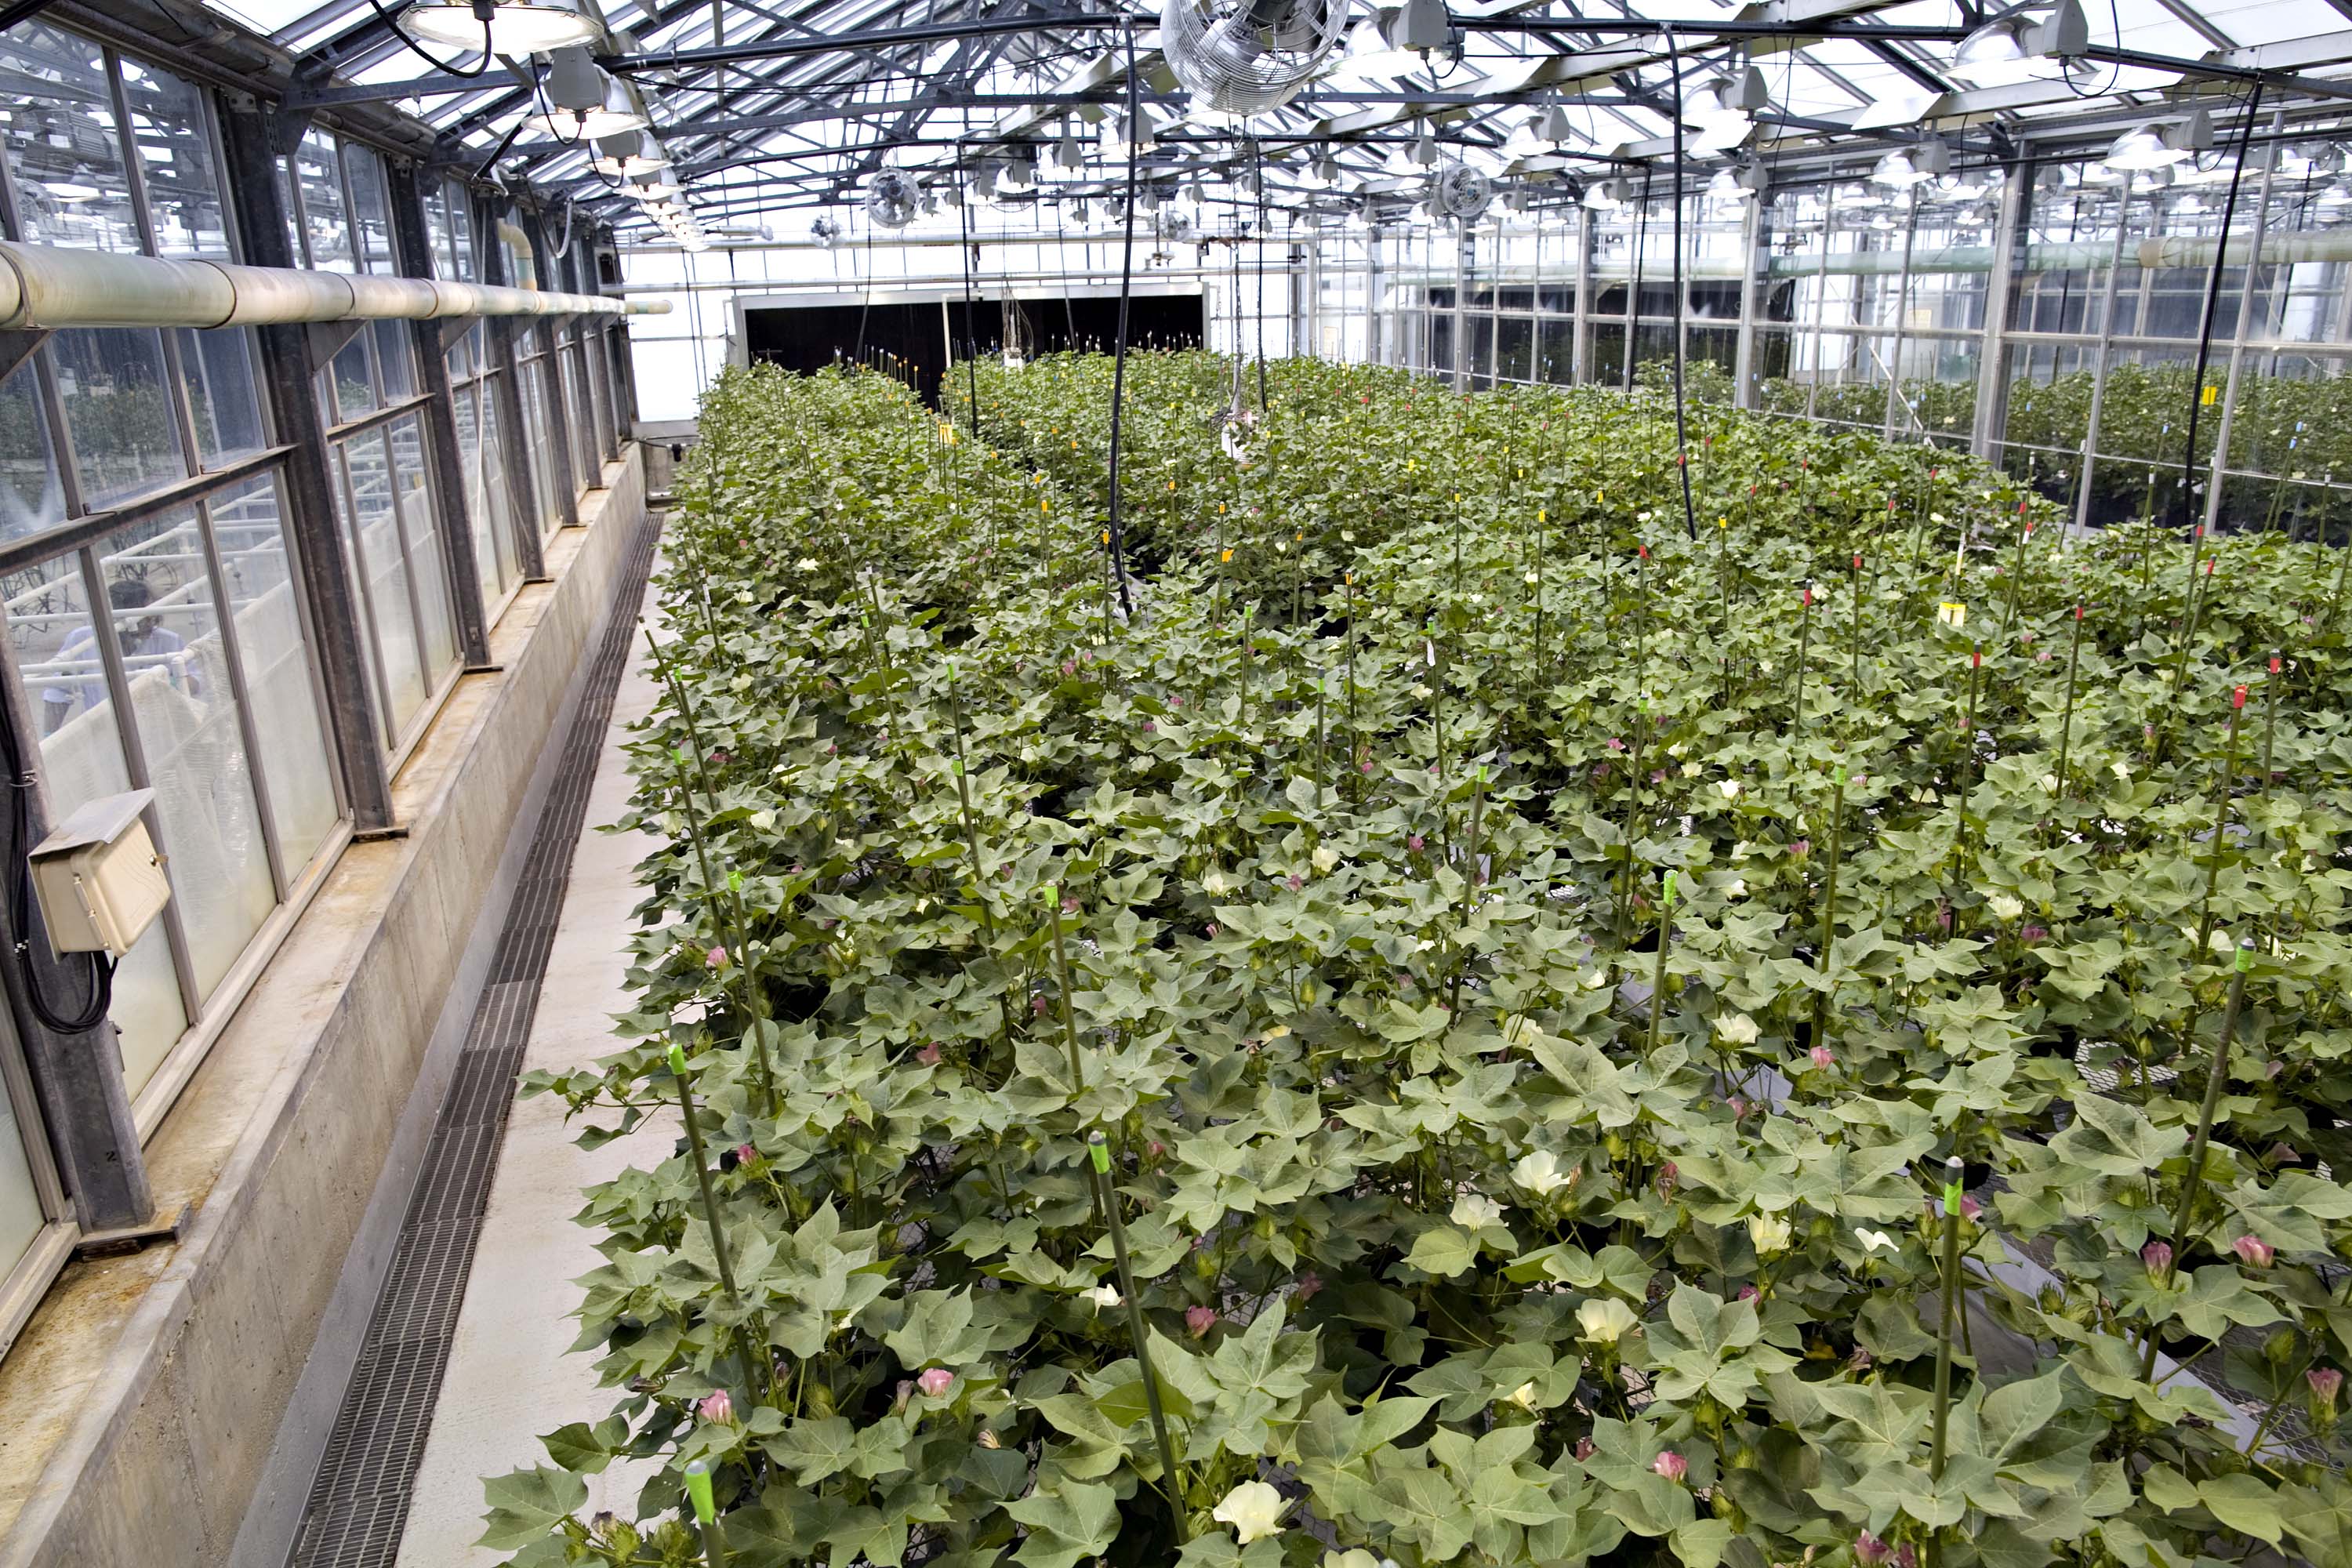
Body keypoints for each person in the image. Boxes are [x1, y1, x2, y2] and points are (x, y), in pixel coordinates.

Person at [42, 578, 192, 735]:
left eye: (151, 617)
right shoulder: (83, 639)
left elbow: (196, 681)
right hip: (102, 731)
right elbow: (58, 690)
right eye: (143, 619)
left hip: (157, 729)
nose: (150, 623)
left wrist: (173, 681)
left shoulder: (168, 640)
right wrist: (49, 737)